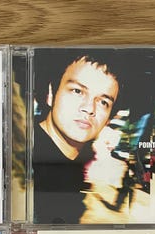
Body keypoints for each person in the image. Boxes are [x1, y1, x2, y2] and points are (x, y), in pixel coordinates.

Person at [33, 51, 120, 224]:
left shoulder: (71, 167)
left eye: (103, 102)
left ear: (109, 119)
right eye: (77, 91)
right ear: (51, 94)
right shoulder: (27, 161)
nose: (89, 108)